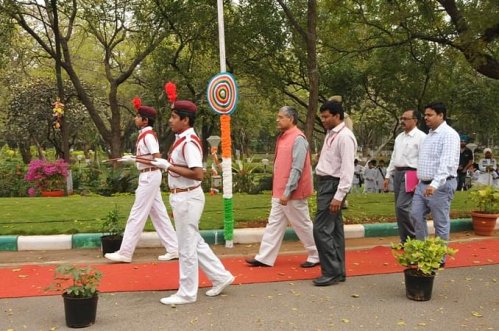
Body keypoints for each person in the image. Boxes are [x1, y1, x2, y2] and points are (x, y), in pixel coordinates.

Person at [151, 98, 234, 305]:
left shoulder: (188, 142)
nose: (170, 121)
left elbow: (198, 173)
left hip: (188, 196)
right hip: (184, 196)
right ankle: (221, 276)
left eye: (174, 117)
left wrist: (167, 167)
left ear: (185, 120)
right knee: (194, 242)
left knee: (186, 247)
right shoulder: (183, 138)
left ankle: (187, 293)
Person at [104, 98, 178, 263]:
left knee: (136, 214)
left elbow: (157, 158)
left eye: (138, 116)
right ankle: (174, 249)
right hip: (149, 175)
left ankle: (125, 252)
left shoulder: (148, 136)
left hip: (150, 175)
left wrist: (134, 160)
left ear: (145, 121)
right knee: (159, 215)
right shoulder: (145, 135)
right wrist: (135, 158)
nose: (134, 118)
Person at [245, 106, 319, 268]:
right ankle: (264, 257)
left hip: (292, 193)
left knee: (302, 224)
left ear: (291, 119)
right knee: (274, 224)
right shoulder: (283, 137)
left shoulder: (298, 138)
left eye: (280, 117)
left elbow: (297, 168)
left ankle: (317, 253)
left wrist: (287, 192)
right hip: (280, 192)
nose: (277, 120)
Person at [313, 100, 357, 286]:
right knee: (335, 230)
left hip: (333, 186)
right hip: (326, 184)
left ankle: (330, 271)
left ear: (337, 116)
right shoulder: (331, 134)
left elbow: (348, 170)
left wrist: (339, 196)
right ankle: (338, 271)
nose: (323, 120)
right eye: (322, 116)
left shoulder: (345, 137)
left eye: (326, 116)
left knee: (320, 229)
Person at [410, 102, 460, 246]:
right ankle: (423, 250)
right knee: (416, 215)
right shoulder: (429, 136)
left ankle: (439, 258)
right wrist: (420, 183)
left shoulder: (449, 135)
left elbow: (447, 163)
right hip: (423, 185)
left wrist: (434, 184)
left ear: (441, 115)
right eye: (425, 115)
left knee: (440, 222)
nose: (426, 118)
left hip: (440, 185)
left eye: (430, 115)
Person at [383, 109, 426, 243]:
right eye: (402, 118)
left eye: (406, 119)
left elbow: (423, 159)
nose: (402, 121)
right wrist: (387, 175)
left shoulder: (421, 137)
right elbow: (394, 157)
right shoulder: (399, 137)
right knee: (398, 208)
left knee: (403, 207)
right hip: (398, 172)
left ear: (415, 120)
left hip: (412, 173)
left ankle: (413, 237)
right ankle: (405, 240)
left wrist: (420, 178)